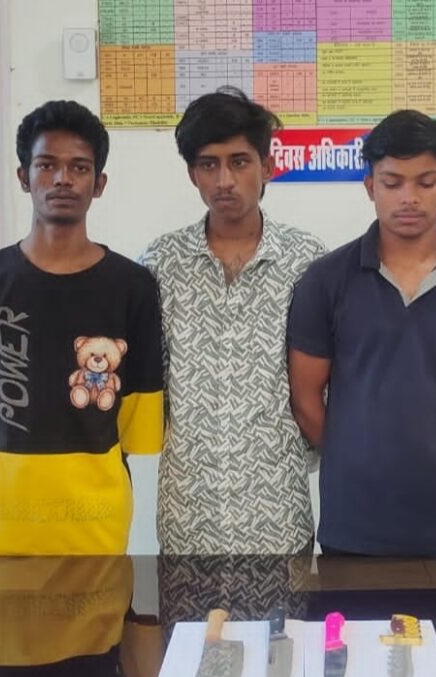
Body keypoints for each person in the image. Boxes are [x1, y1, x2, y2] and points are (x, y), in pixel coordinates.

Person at [287, 110, 436, 556]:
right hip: (355, 525)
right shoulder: (326, 280)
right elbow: (305, 398)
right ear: (369, 187)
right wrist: (353, 459)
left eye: (425, 182)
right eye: (392, 183)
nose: (409, 198)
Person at [139, 87, 326, 554]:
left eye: (239, 162)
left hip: (278, 514)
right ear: (192, 175)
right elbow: (151, 381)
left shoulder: (308, 262)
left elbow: (328, 380)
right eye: (209, 164)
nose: (224, 180)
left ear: (267, 166)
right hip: (188, 515)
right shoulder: (161, 263)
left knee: (287, 609)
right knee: (185, 609)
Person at [0, 100, 164, 554]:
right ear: (23, 177)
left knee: (102, 608)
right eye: (47, 165)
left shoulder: (133, 286)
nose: (62, 179)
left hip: (95, 524)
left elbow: (135, 421)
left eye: (79, 167)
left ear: (99, 184)